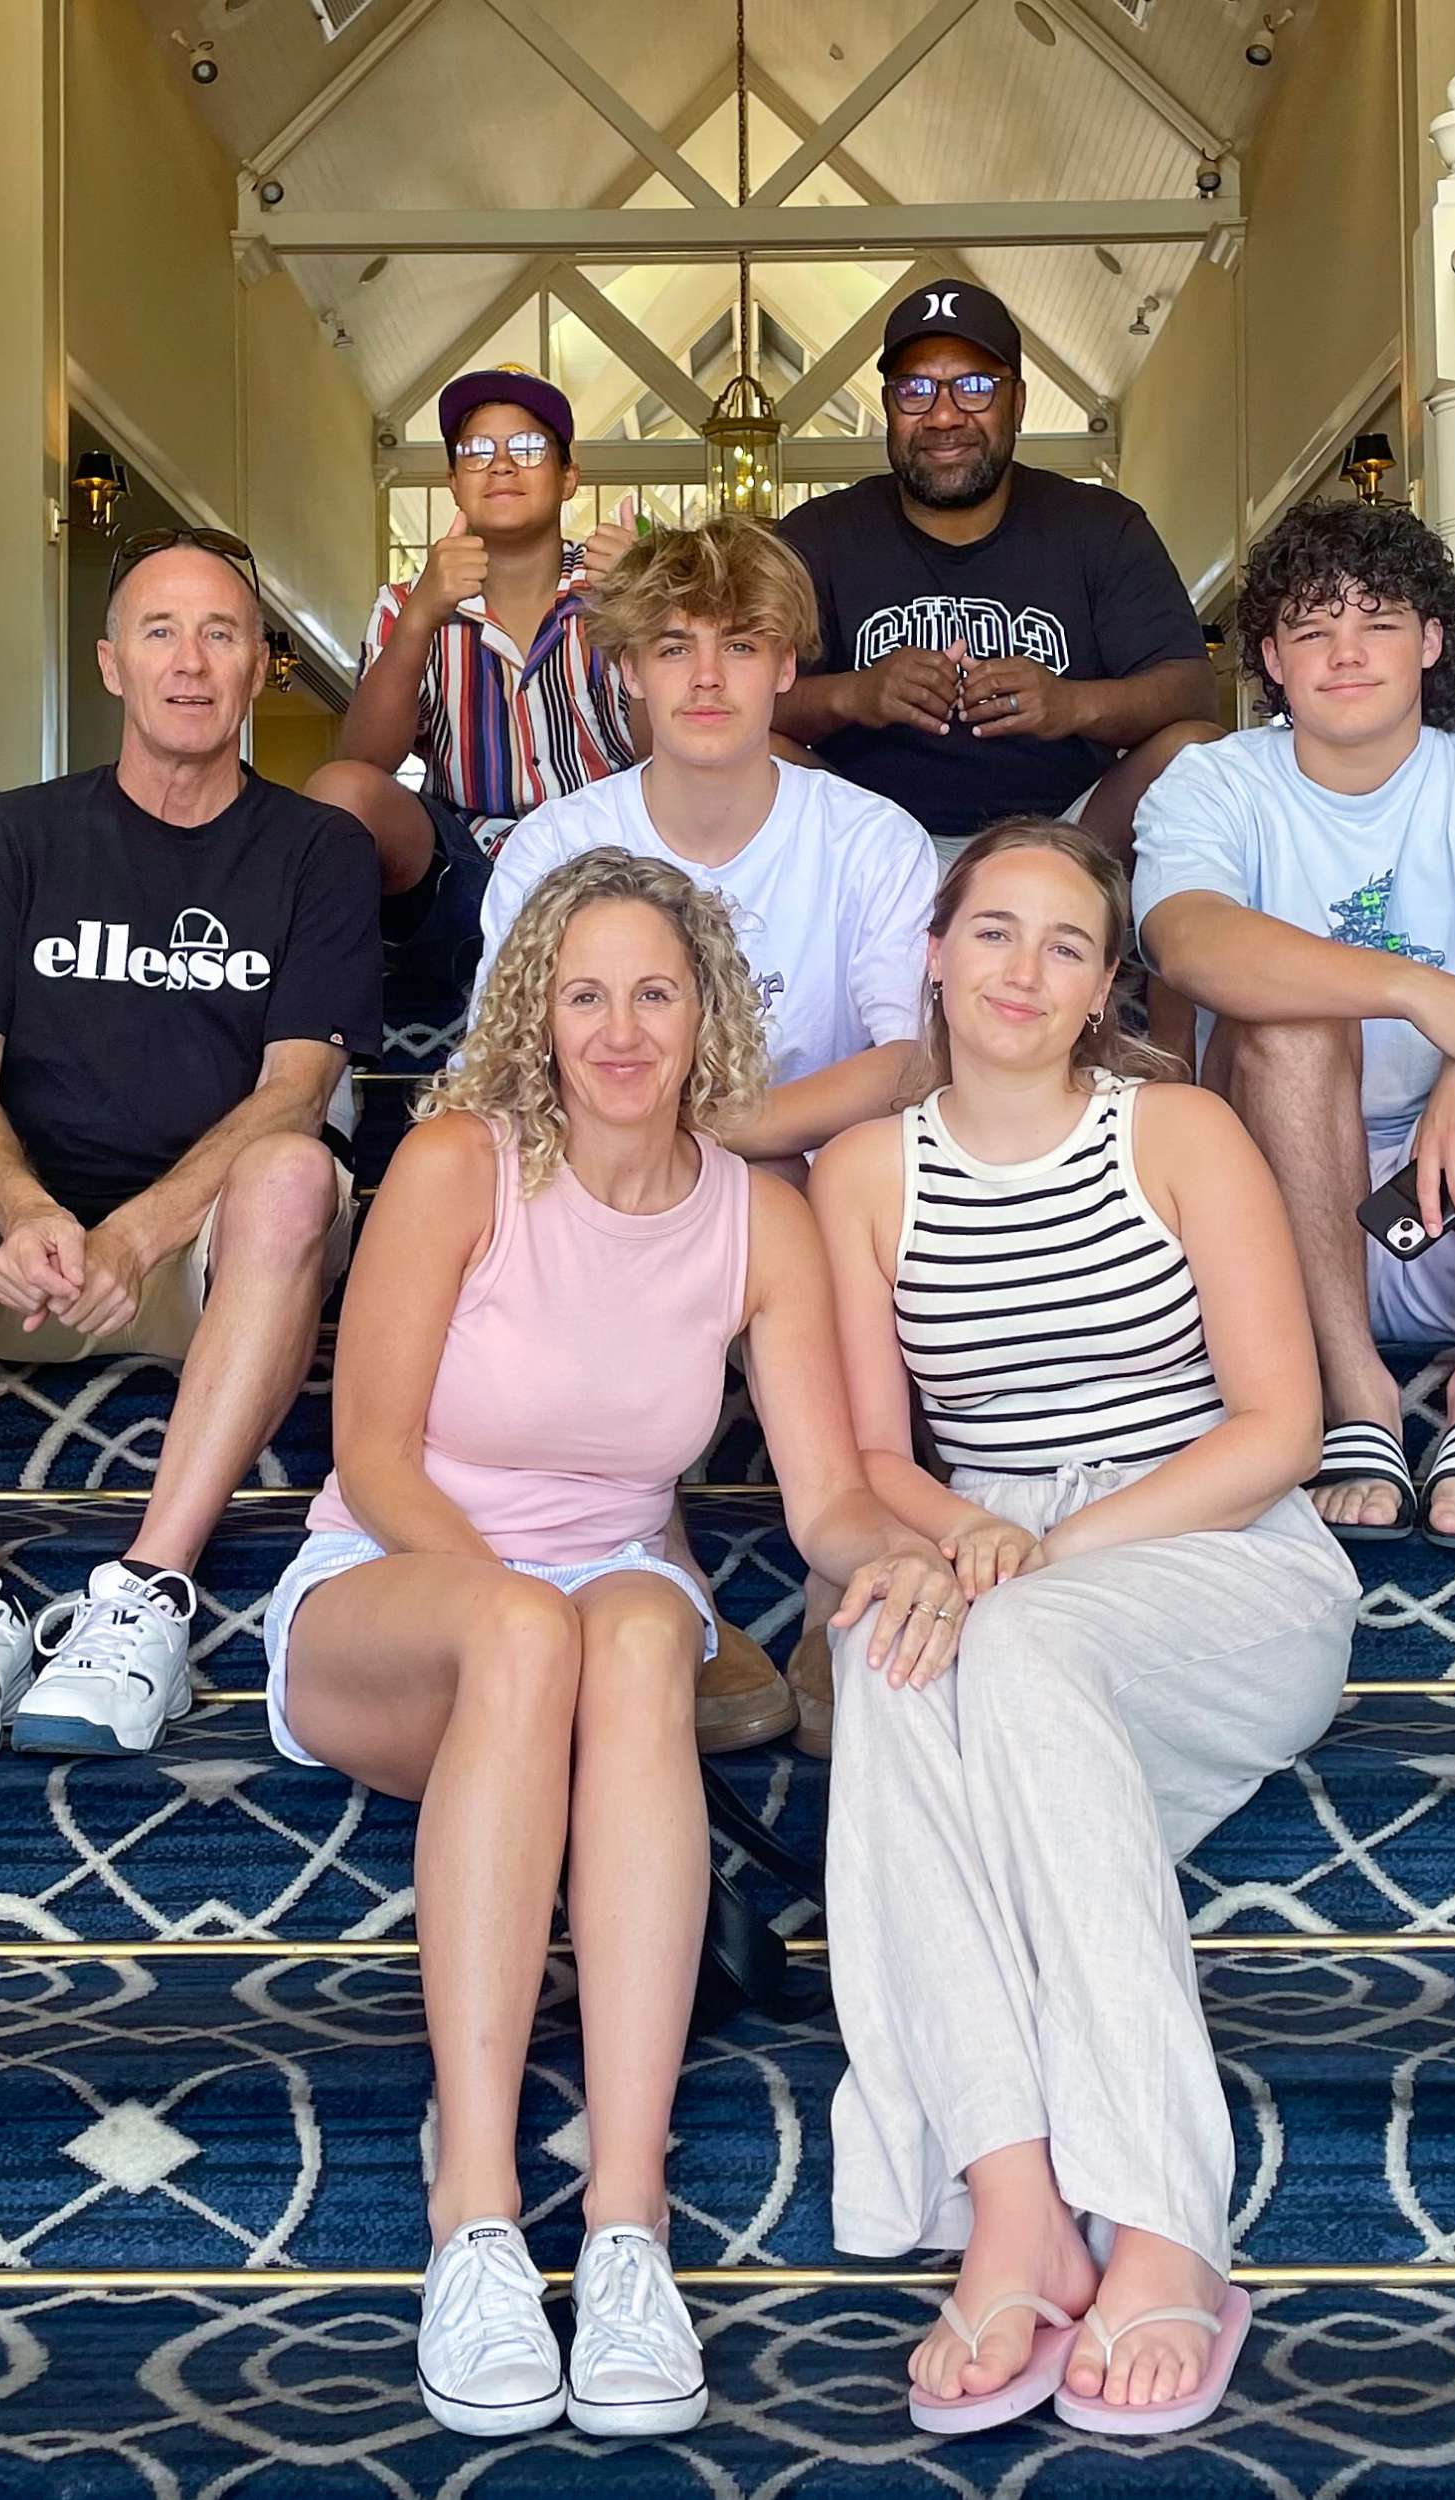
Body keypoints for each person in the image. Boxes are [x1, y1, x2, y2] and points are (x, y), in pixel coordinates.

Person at [261, 847, 961, 2441]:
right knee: (540, 1630)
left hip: (609, 1607)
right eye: (588, 995)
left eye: (656, 992)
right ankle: (482, 2220)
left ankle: (631, 2224)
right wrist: (531, 1621)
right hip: (396, 1585)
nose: (623, 1029)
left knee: (640, 1630)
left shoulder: (756, 1221)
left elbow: (829, 1498)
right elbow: (370, 1451)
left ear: (708, 1008)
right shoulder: (461, 1163)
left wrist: (927, 1559)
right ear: (540, 1011)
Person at [809, 819, 1358, 2438]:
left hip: (1215, 1551)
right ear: (935, 951)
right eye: (994, 934)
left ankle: (1170, 2224)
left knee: (1009, 1646)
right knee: (887, 1660)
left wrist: (1042, 1554)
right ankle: (1016, 2206)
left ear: (1103, 984)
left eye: (1065, 946)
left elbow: (1275, 1425)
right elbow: (875, 1460)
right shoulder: (862, 1174)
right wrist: (968, 1543)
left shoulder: (1177, 1132)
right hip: (984, 1544)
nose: (1023, 971)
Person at [0, 529, 381, 1765]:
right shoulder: (20, 838)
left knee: (297, 1171)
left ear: (260, 672)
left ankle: (146, 1594)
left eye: (223, 634)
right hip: (26, 1257)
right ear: (111, 666)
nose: (191, 662)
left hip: (208, 1267)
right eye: (159, 632)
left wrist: (145, 1227)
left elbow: (299, 1088)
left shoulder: (317, 853)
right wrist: (26, 1209)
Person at [477, 517, 939, 1752]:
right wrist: (677, 1152)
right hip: (614, 1175)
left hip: (811, 1175)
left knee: (844, 1168)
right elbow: (507, 1072)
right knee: (573, 1177)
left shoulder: (869, 837)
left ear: (789, 665)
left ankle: (841, 1585)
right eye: (672, 647)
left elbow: (905, 1061)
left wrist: (735, 1134)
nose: (706, 678)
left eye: (743, 645)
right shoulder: (557, 845)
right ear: (625, 669)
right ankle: (656, 1566)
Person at [1133, 501, 1455, 1550]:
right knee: (1299, 1015)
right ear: (1272, 662)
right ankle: (1358, 1401)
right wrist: (1428, 995)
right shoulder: (1218, 781)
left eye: (1377, 620)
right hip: (1282, 1236)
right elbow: (1187, 938)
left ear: (1430, 642)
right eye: (1310, 626)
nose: (1344, 652)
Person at [773, 280, 1220, 858]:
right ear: (888, 405)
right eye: (915, 389)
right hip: (865, 844)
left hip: (1066, 840)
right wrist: (856, 694)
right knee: (744, 749)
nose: (943, 415)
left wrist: (1069, 705)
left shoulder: (1100, 526)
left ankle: (1098, 914)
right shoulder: (818, 535)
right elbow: (746, 698)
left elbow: (1192, 696)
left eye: (975, 387)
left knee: (1193, 749)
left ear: (1018, 401)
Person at [308, 369, 638, 1009]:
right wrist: (422, 617)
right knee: (337, 791)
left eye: (530, 448)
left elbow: (668, 751)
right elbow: (367, 760)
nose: (503, 466)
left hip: (612, 856)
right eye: (477, 452)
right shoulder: (408, 601)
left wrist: (641, 616)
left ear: (570, 477)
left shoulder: (619, 587)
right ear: (455, 481)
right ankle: (328, 1032)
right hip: (462, 866)